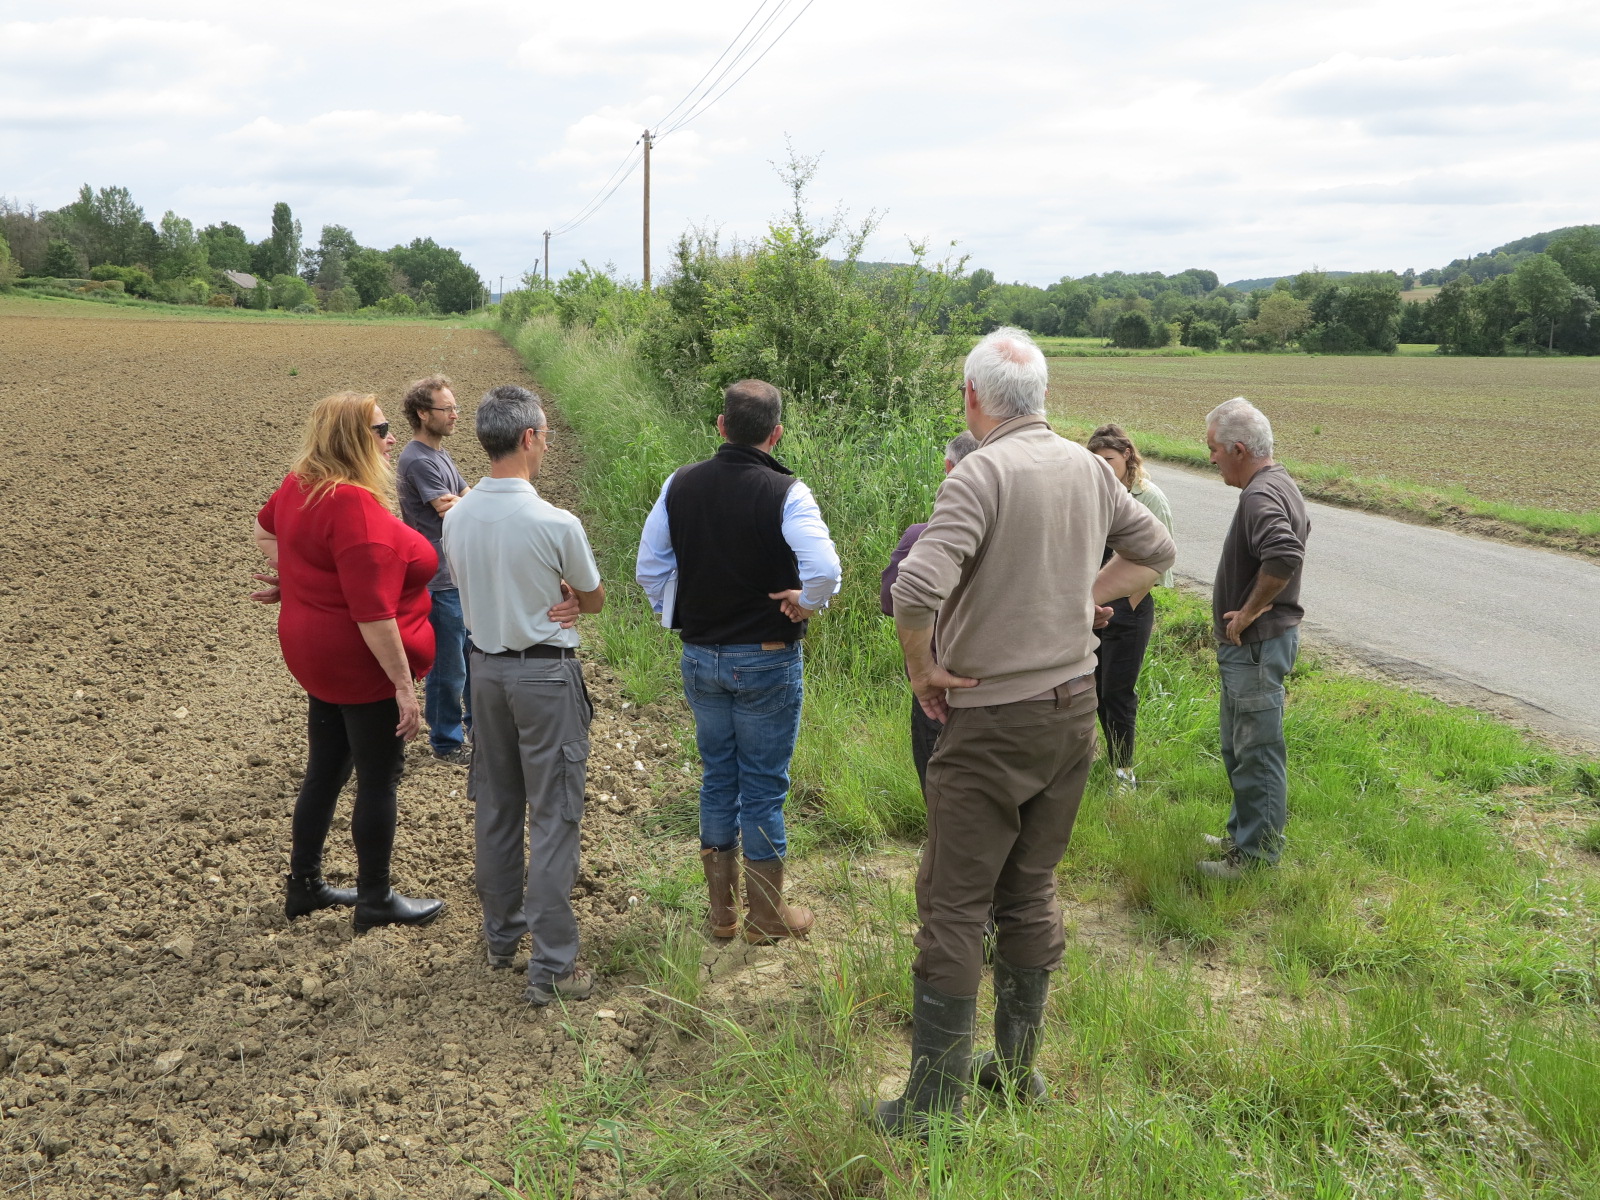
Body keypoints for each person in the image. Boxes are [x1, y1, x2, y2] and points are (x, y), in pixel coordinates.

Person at [876, 329, 1174, 1135]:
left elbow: (913, 589)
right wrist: (1083, 600)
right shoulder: (1086, 466)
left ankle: (933, 1106)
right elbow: (1159, 549)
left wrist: (921, 672)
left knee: (952, 902)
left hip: (992, 720)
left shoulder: (979, 472)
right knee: (1032, 886)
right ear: (1039, 397)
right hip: (1072, 711)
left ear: (973, 400)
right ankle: (1016, 1074)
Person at [635, 380, 841, 945]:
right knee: (764, 786)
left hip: (701, 657)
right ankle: (767, 918)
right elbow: (824, 569)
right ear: (776, 434)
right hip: (768, 659)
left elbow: (649, 567)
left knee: (717, 779)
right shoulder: (787, 492)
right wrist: (806, 602)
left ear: (721, 426)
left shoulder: (679, 484)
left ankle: (722, 915)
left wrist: (677, 612)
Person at [251, 391, 445, 933]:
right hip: (360, 664)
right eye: (381, 430)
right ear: (352, 440)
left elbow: (265, 530)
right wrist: (404, 687)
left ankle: (305, 886)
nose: (390, 439)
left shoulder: (300, 484)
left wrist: (298, 578)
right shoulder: (354, 509)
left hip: (315, 654)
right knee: (379, 779)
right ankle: (376, 898)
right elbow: (374, 618)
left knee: (326, 768)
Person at [440, 386, 605, 1006]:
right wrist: (566, 592)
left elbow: (467, 585)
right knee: (556, 816)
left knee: (497, 807)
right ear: (530, 437)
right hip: (544, 675)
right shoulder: (555, 522)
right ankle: (554, 965)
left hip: (484, 672)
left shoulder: (456, 516)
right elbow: (590, 599)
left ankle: (501, 936)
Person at [1198, 397, 1309, 880]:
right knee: (1239, 747)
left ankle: (1257, 860)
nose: (1212, 459)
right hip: (1258, 647)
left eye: (1214, 449)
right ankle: (1243, 836)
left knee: (1257, 751)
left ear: (1238, 448)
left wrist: (1248, 611)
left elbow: (1284, 553)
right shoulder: (1278, 481)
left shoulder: (1259, 496)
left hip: (1258, 647)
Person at [880, 431, 980, 793]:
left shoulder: (921, 537)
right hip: (1013, 689)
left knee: (941, 791)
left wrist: (921, 671)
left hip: (941, 685)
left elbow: (893, 600)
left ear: (948, 468)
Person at [1085, 424, 1175, 788]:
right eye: (1096, 461)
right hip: (1093, 605)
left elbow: (1159, 563)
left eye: (1109, 460)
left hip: (1128, 608)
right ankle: (1097, 759)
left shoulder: (1150, 498)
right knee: (1091, 689)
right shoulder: (1092, 493)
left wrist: (1123, 607)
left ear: (1127, 457)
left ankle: (1124, 772)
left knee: (1117, 692)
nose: (1103, 467)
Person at [396, 374, 473, 765]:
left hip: (455, 574)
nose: (455, 415)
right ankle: (446, 742)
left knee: (471, 658)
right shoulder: (416, 459)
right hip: (438, 580)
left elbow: (466, 496)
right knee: (449, 667)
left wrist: (465, 502)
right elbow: (449, 508)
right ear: (424, 414)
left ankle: (476, 729)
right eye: (448, 409)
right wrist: (465, 503)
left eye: (456, 407)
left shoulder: (440, 455)